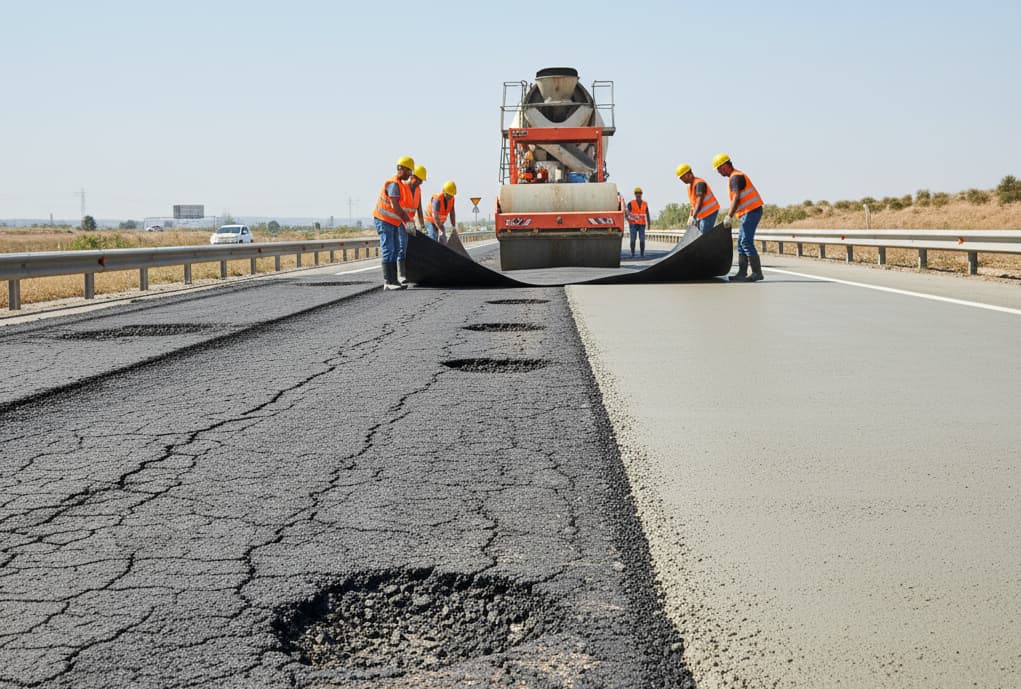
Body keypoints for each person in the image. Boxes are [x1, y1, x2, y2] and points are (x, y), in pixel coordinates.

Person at [714, 153, 765, 282]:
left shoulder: (736, 177)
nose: (719, 172)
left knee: (746, 242)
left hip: (751, 211)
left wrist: (729, 216)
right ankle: (742, 273)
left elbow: (736, 198)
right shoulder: (734, 176)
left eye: (719, 169)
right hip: (748, 212)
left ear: (725, 166)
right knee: (741, 243)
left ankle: (757, 273)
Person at [372, 156, 415, 290]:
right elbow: (395, 206)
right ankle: (388, 282)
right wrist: (407, 221)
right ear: (402, 169)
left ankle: (394, 280)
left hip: (393, 222)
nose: (410, 174)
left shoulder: (401, 184)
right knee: (389, 249)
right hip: (383, 220)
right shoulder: (393, 184)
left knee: (395, 249)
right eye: (409, 171)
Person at [396, 164, 427, 284]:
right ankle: (401, 275)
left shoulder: (418, 190)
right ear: (412, 176)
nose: (421, 183)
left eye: (422, 181)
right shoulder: (403, 187)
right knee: (402, 245)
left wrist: (422, 225)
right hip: (400, 220)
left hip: (410, 222)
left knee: (412, 246)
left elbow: (419, 209)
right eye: (419, 180)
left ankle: (411, 272)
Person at [676, 164, 720, 234]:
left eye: (682, 178)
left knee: (703, 235)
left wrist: (693, 217)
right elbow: (693, 204)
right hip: (701, 215)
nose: (682, 180)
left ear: (688, 174)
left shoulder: (699, 183)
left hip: (709, 212)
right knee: (699, 234)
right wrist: (691, 216)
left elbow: (699, 203)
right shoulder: (690, 187)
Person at [626, 187, 649, 257]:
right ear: (635, 194)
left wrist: (649, 223)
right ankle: (633, 253)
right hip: (633, 224)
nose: (638, 194)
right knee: (633, 240)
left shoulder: (645, 203)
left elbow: (647, 214)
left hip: (642, 224)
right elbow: (626, 213)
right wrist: (629, 220)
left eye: (639, 193)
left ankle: (642, 254)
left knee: (642, 240)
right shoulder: (631, 203)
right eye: (637, 193)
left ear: (641, 194)